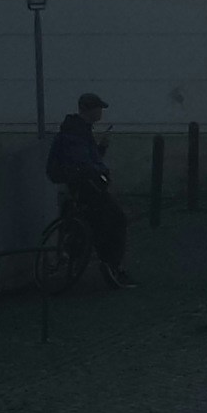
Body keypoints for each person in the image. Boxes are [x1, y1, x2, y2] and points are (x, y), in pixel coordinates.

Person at [46, 91, 128, 286]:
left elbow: (83, 159)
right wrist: (101, 171)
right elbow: (82, 162)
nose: (101, 113)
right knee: (115, 218)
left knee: (101, 219)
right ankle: (111, 265)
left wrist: (101, 150)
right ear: (90, 110)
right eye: (99, 108)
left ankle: (106, 262)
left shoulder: (78, 129)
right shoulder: (77, 132)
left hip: (81, 182)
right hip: (84, 185)